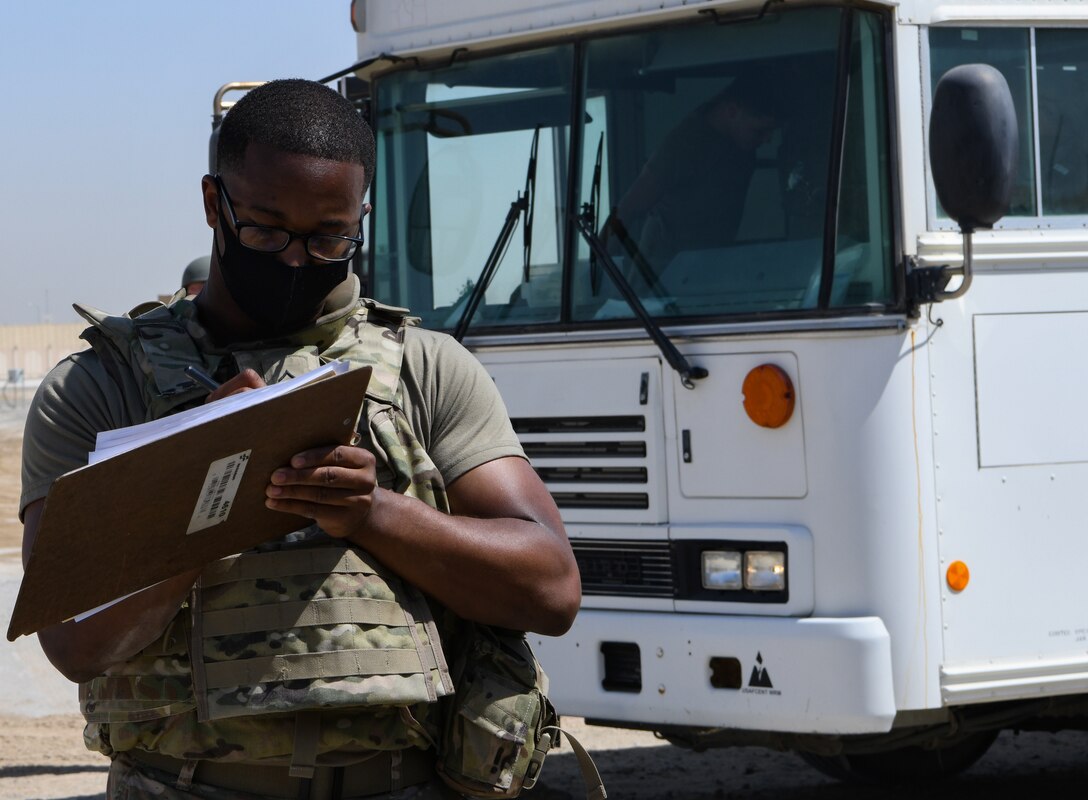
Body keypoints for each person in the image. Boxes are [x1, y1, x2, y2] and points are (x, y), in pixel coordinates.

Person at [20, 79, 581, 800]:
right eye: (264, 229)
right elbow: (72, 642)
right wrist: (199, 492)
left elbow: (551, 588)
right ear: (213, 204)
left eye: (327, 238)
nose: (292, 260)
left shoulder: (426, 368)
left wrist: (375, 513)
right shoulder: (99, 386)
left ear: (362, 219)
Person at [613, 78, 780, 270]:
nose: (767, 139)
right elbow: (627, 208)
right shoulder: (683, 146)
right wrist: (597, 276)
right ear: (732, 111)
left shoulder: (743, 144)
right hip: (661, 277)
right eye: (760, 130)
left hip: (710, 268)